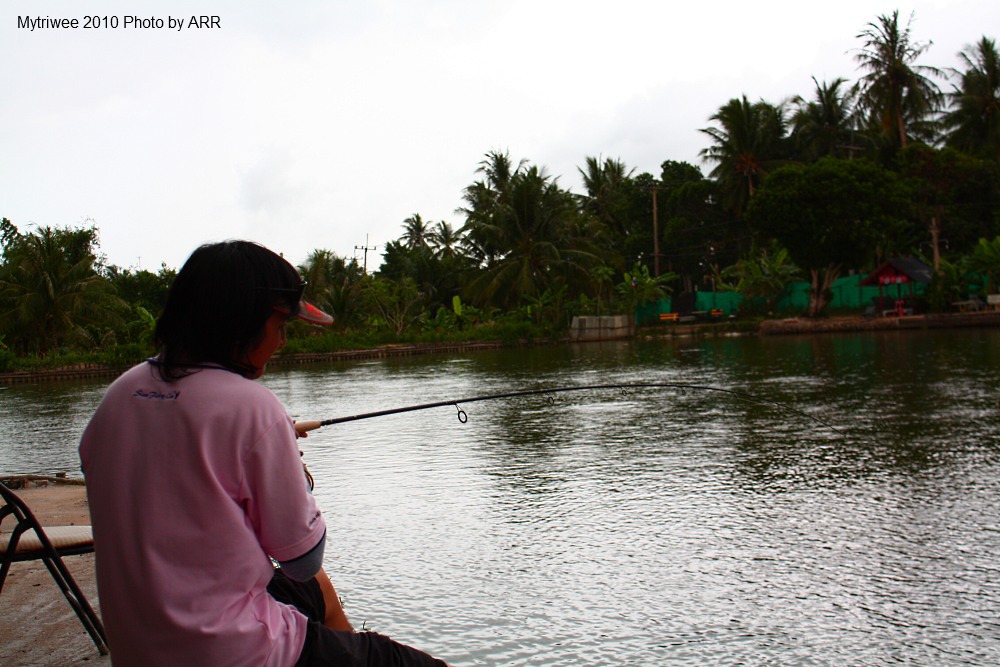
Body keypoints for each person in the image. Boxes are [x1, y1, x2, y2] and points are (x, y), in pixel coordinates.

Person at [80, 240, 453, 667]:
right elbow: (300, 558)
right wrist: (286, 459)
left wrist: (262, 447)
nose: (281, 341)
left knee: (318, 592)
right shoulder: (253, 408)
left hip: (142, 646)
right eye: (280, 326)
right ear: (242, 323)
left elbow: (163, 456)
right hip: (229, 651)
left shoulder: (119, 394)